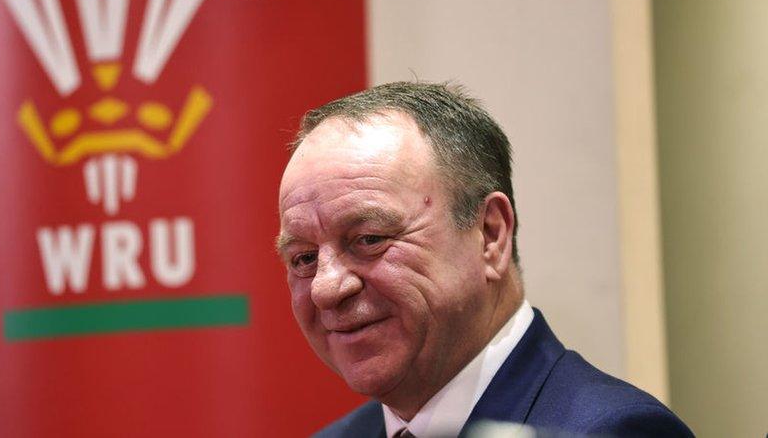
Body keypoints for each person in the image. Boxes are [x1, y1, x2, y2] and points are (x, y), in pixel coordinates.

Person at [276, 82, 692, 437]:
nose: (327, 288)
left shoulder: (610, 430)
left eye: (368, 238)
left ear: (491, 234)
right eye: (304, 258)